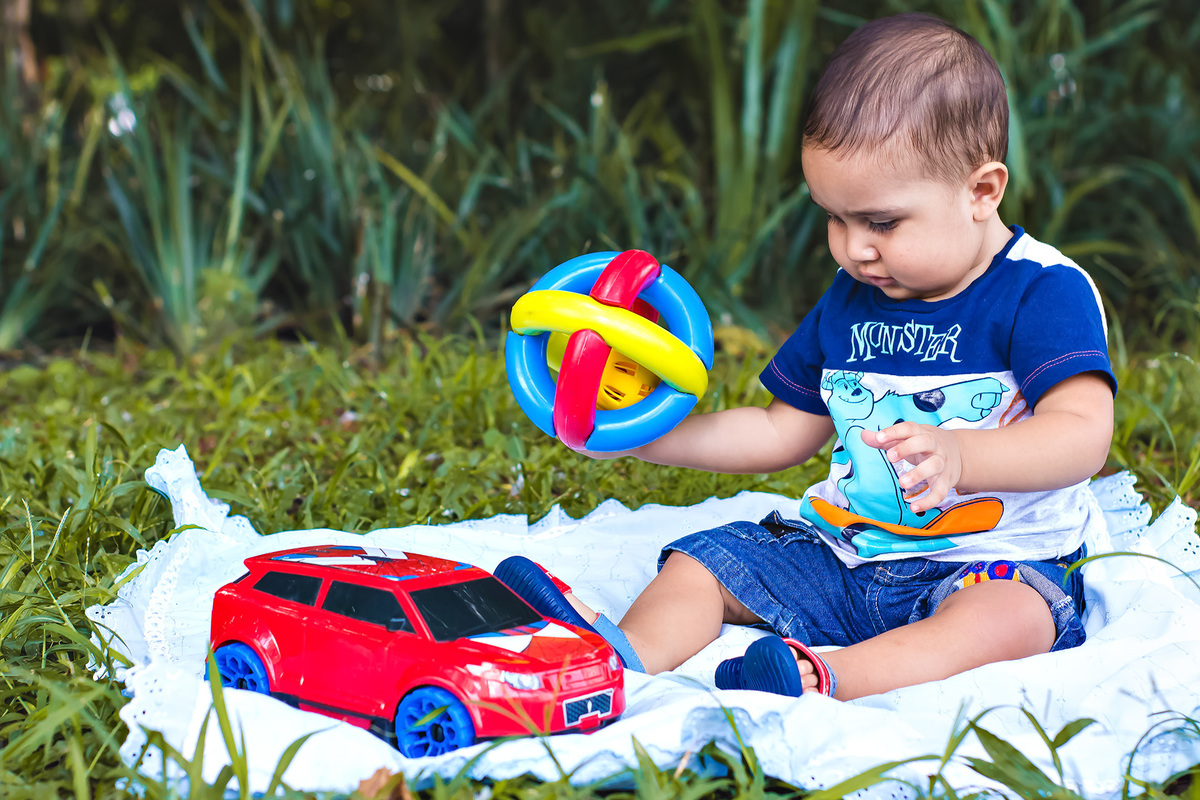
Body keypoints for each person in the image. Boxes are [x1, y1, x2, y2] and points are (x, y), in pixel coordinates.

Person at [496, 12, 1116, 700]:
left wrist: (967, 458)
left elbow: (1082, 434)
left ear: (981, 192)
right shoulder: (855, 296)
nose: (854, 248)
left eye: (881, 222)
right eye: (834, 217)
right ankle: (626, 653)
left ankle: (822, 677)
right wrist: (644, 438)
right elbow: (778, 430)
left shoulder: (1041, 291)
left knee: (1009, 620)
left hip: (990, 562)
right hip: (845, 552)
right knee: (705, 564)